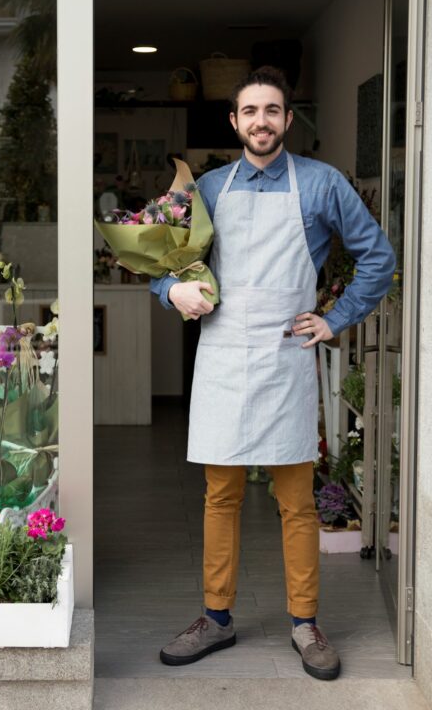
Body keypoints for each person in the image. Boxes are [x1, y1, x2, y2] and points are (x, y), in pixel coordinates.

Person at [151, 66, 395, 681]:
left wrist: (334, 318)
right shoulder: (207, 187)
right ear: (234, 122)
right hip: (225, 355)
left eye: (273, 110)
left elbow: (378, 257)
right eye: (250, 111)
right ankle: (216, 616)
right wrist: (170, 292)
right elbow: (164, 261)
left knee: (295, 502)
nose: (261, 121)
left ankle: (306, 623)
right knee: (221, 496)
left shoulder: (322, 184)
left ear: (288, 120)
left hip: (287, 355)